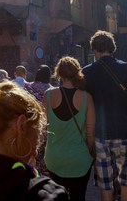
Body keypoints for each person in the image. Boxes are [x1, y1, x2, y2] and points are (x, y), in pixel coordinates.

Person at [82, 30, 127, 201]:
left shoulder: (86, 72)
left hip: (100, 136)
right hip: (125, 134)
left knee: (106, 186)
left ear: (94, 50)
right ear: (113, 48)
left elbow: (83, 106)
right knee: (126, 183)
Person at [43, 57, 95, 201]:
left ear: (58, 73)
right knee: (79, 197)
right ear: (77, 73)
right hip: (80, 159)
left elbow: (42, 127)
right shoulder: (86, 98)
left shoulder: (48, 95)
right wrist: (90, 152)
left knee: (58, 197)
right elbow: (90, 132)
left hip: (54, 158)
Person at [25, 65, 54, 176]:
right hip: (44, 127)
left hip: (29, 125)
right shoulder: (51, 90)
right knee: (42, 155)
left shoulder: (27, 87)